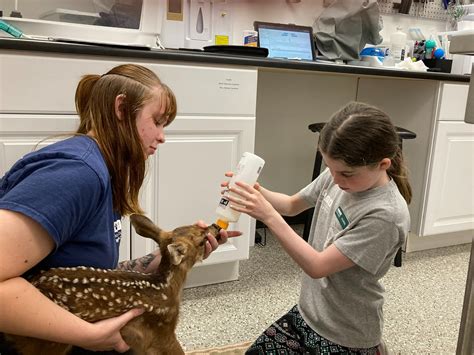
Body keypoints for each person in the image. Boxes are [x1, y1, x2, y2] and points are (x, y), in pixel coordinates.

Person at [0, 63, 240, 354]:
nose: (162, 136)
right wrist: (88, 334)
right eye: (158, 121)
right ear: (122, 108)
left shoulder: (102, 170)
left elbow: (92, 271)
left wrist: (175, 253)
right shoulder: (76, 174)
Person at [223, 102, 411, 354]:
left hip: (346, 332)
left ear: (383, 164)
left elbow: (317, 266)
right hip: (309, 314)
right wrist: (254, 192)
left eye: (345, 173)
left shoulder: (385, 215)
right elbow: (291, 205)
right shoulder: (338, 175)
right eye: (330, 168)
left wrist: (266, 215)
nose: (335, 179)